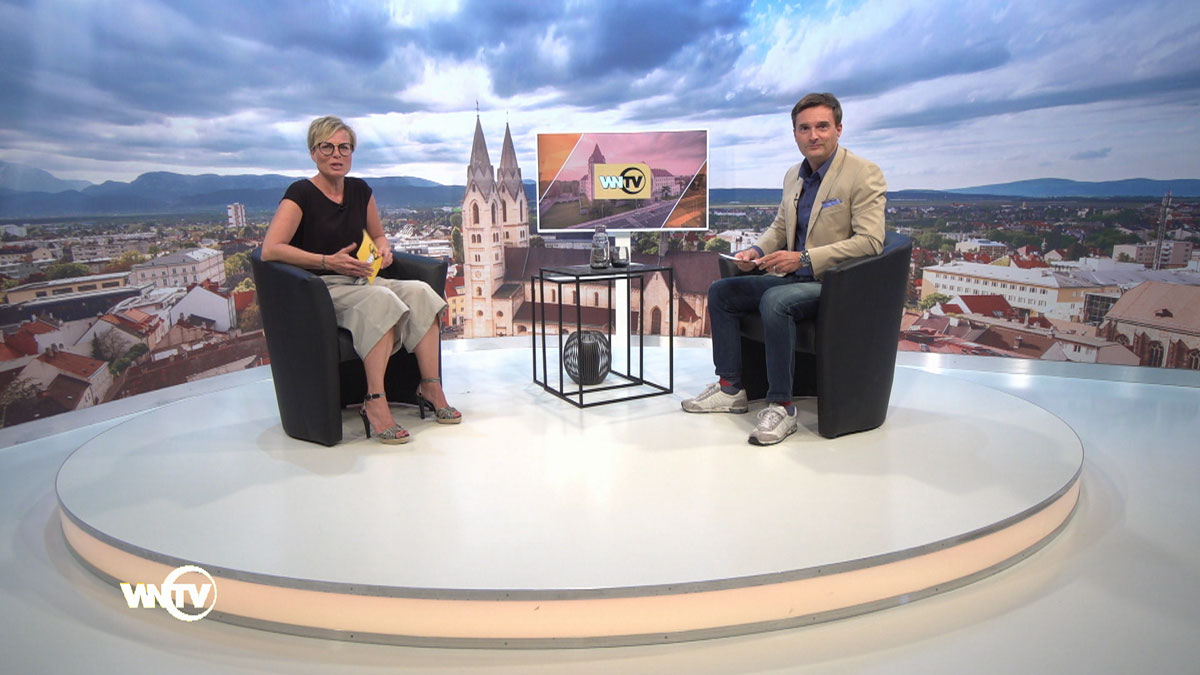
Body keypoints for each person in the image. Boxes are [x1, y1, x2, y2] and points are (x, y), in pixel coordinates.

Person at [682, 93, 886, 445]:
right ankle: (731, 389)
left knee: (775, 302)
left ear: (838, 129)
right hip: (794, 278)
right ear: (795, 134)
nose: (813, 135)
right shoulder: (794, 175)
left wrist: (804, 258)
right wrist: (756, 250)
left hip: (836, 284)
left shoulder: (863, 173)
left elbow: (871, 242)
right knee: (722, 292)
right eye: (804, 128)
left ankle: (782, 407)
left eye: (822, 126)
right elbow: (780, 227)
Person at [262, 116, 460, 444]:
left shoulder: (360, 190)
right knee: (381, 300)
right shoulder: (300, 193)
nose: (336, 154)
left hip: (361, 280)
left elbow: (378, 235)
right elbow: (271, 249)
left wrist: (384, 249)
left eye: (344, 147)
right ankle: (375, 401)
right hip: (318, 289)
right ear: (313, 152)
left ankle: (430, 387)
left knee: (422, 293)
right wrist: (327, 261)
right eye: (327, 147)